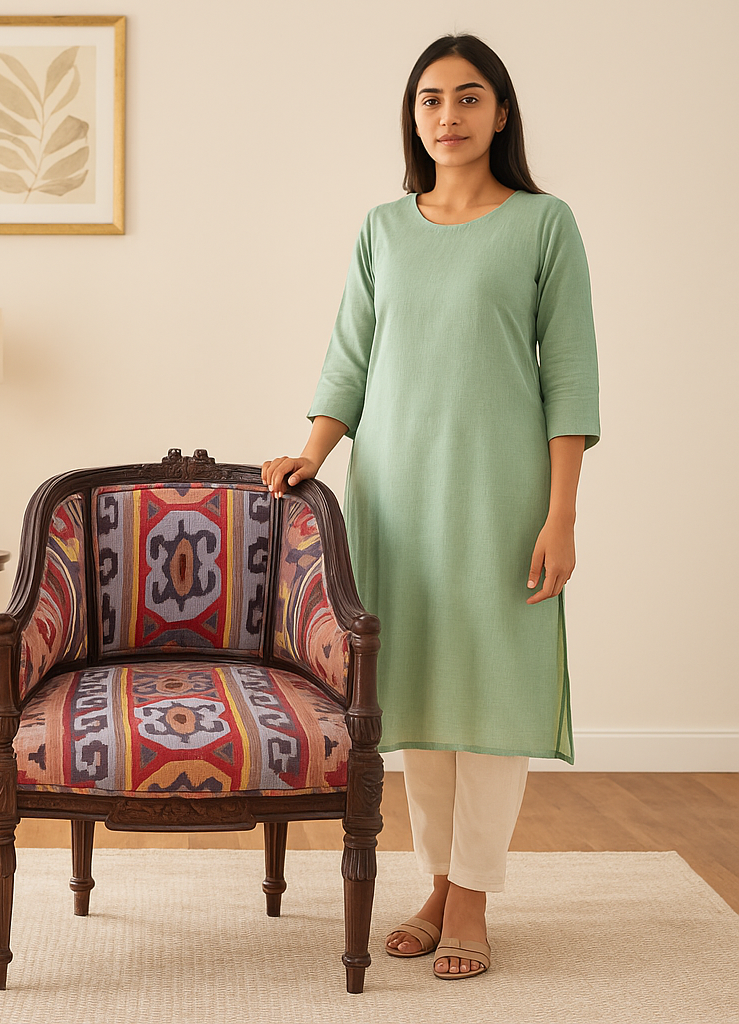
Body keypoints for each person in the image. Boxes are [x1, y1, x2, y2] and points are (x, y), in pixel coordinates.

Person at [261, 33, 600, 981]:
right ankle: (438, 884)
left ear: (501, 112)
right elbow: (350, 361)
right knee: (417, 695)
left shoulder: (544, 223)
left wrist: (562, 514)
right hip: (398, 497)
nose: (447, 116)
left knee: (490, 691)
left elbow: (570, 375)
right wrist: (313, 452)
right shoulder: (383, 227)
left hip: (502, 495)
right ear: (414, 116)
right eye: (429, 100)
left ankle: (474, 899)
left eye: (468, 97)